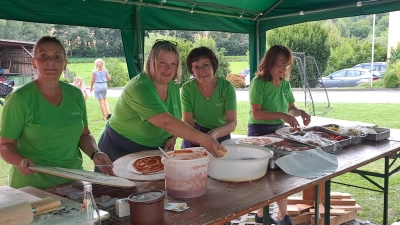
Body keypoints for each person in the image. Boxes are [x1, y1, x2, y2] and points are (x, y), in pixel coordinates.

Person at [0, 36, 114, 190]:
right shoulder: (19, 99)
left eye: (57, 57)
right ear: (34, 63)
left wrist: (95, 153)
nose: (50, 62)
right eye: (43, 56)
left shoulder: (75, 95)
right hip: (33, 187)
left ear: (64, 63)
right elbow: (6, 145)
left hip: (73, 181)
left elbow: (84, 134)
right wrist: (20, 161)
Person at [97, 40, 226, 163]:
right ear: (151, 62)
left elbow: (174, 119)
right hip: (120, 149)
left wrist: (172, 137)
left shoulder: (172, 86)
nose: (168, 68)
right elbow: (166, 122)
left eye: (173, 64)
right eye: (162, 62)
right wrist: (205, 140)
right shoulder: (140, 87)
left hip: (154, 151)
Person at [248, 45, 311, 225]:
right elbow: (257, 113)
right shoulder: (258, 83)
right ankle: (267, 214)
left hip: (278, 131)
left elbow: (291, 108)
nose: (283, 69)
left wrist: (301, 112)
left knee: (281, 173)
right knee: (265, 176)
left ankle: (275, 215)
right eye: (279, 65)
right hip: (259, 132)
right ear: (268, 64)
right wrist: (283, 115)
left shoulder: (285, 83)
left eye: (286, 66)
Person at [181, 46, 237, 148]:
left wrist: (214, 134)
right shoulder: (187, 89)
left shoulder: (226, 87)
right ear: (191, 70)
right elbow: (188, 122)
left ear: (213, 66)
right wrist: (197, 137)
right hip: (195, 133)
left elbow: (232, 122)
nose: (201, 71)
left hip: (221, 133)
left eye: (205, 65)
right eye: (196, 67)